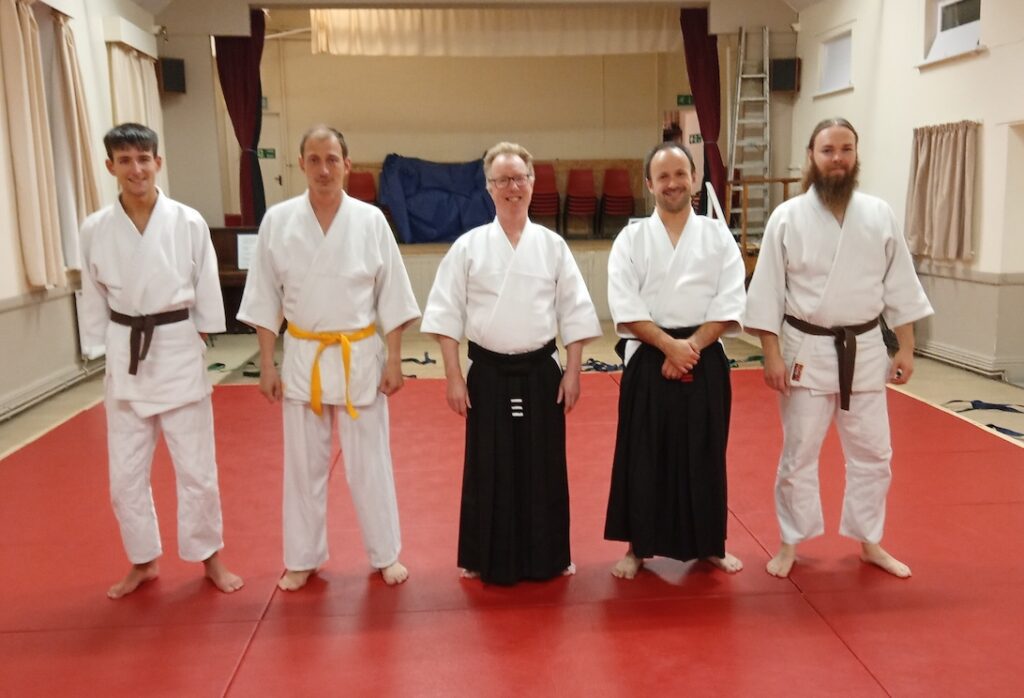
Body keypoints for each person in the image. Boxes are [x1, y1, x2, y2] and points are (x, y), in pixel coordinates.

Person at [744, 117, 934, 579]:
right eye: (828, 150)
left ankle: (870, 539)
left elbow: (900, 286)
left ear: (856, 154)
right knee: (798, 453)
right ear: (811, 154)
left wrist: (904, 347)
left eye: (845, 149)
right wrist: (771, 354)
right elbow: (767, 290)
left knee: (875, 452)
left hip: (866, 347)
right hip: (805, 346)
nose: (837, 158)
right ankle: (791, 540)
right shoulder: (786, 217)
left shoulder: (878, 213)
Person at [237, 125, 420, 591]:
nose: (323, 169)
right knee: (303, 466)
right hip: (303, 355)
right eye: (314, 159)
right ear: (300, 164)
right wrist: (266, 363)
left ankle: (385, 554)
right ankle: (302, 557)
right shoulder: (277, 221)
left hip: (359, 353)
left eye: (332, 159)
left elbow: (393, 295)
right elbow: (262, 298)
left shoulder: (370, 220)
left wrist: (394, 360)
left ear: (347, 164)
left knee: (370, 463)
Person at [421, 142, 601, 585]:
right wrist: (453, 377)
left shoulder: (552, 245)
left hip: (542, 371)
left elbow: (574, 311)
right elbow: (445, 315)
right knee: (488, 465)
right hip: (487, 372)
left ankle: (550, 556)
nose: (512, 187)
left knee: (545, 465)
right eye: (502, 180)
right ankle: (485, 555)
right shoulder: (468, 247)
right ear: (488, 187)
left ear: (533, 182)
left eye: (519, 178)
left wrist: (573, 372)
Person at [78, 123, 243, 599]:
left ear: (158, 163)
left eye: (143, 158)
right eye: (125, 160)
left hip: (174, 345)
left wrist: (208, 326)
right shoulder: (95, 229)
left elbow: (207, 283)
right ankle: (143, 560)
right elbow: (91, 294)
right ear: (110, 167)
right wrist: (99, 346)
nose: (136, 168)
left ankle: (209, 556)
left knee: (197, 469)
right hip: (125, 350)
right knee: (124, 476)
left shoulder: (187, 222)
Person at [603, 142, 746, 579]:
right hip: (649, 356)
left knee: (705, 453)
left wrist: (690, 348)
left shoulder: (717, 235)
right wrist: (668, 346)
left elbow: (730, 300)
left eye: (680, 174)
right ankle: (637, 547)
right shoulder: (631, 238)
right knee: (641, 455)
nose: (672, 184)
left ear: (694, 179)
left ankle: (710, 545)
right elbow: (624, 304)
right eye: (662, 177)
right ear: (649, 184)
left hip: (703, 354)